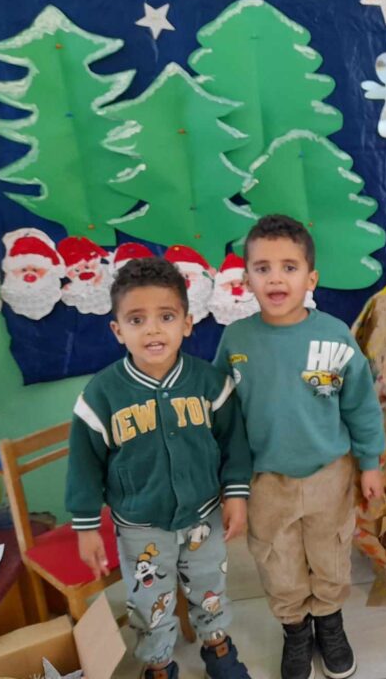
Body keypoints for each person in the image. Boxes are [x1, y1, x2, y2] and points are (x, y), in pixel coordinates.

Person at [216, 215, 385, 679]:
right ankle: (295, 630)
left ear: (311, 278)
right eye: (263, 268)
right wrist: (231, 484)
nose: (276, 278)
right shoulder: (236, 340)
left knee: (330, 554)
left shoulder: (335, 335)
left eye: (289, 267)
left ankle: (329, 622)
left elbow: (361, 405)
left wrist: (369, 463)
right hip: (265, 480)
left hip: (329, 472)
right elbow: (223, 416)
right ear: (246, 278)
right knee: (277, 559)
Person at [66, 258, 252, 679]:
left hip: (204, 513)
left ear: (187, 323)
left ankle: (217, 645)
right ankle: (159, 663)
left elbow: (233, 444)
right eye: (137, 319)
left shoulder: (210, 383)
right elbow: (83, 465)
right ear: (118, 330)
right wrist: (86, 526)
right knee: (149, 602)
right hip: (140, 525)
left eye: (166, 317)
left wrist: (236, 494)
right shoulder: (101, 394)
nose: (152, 330)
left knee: (210, 585)